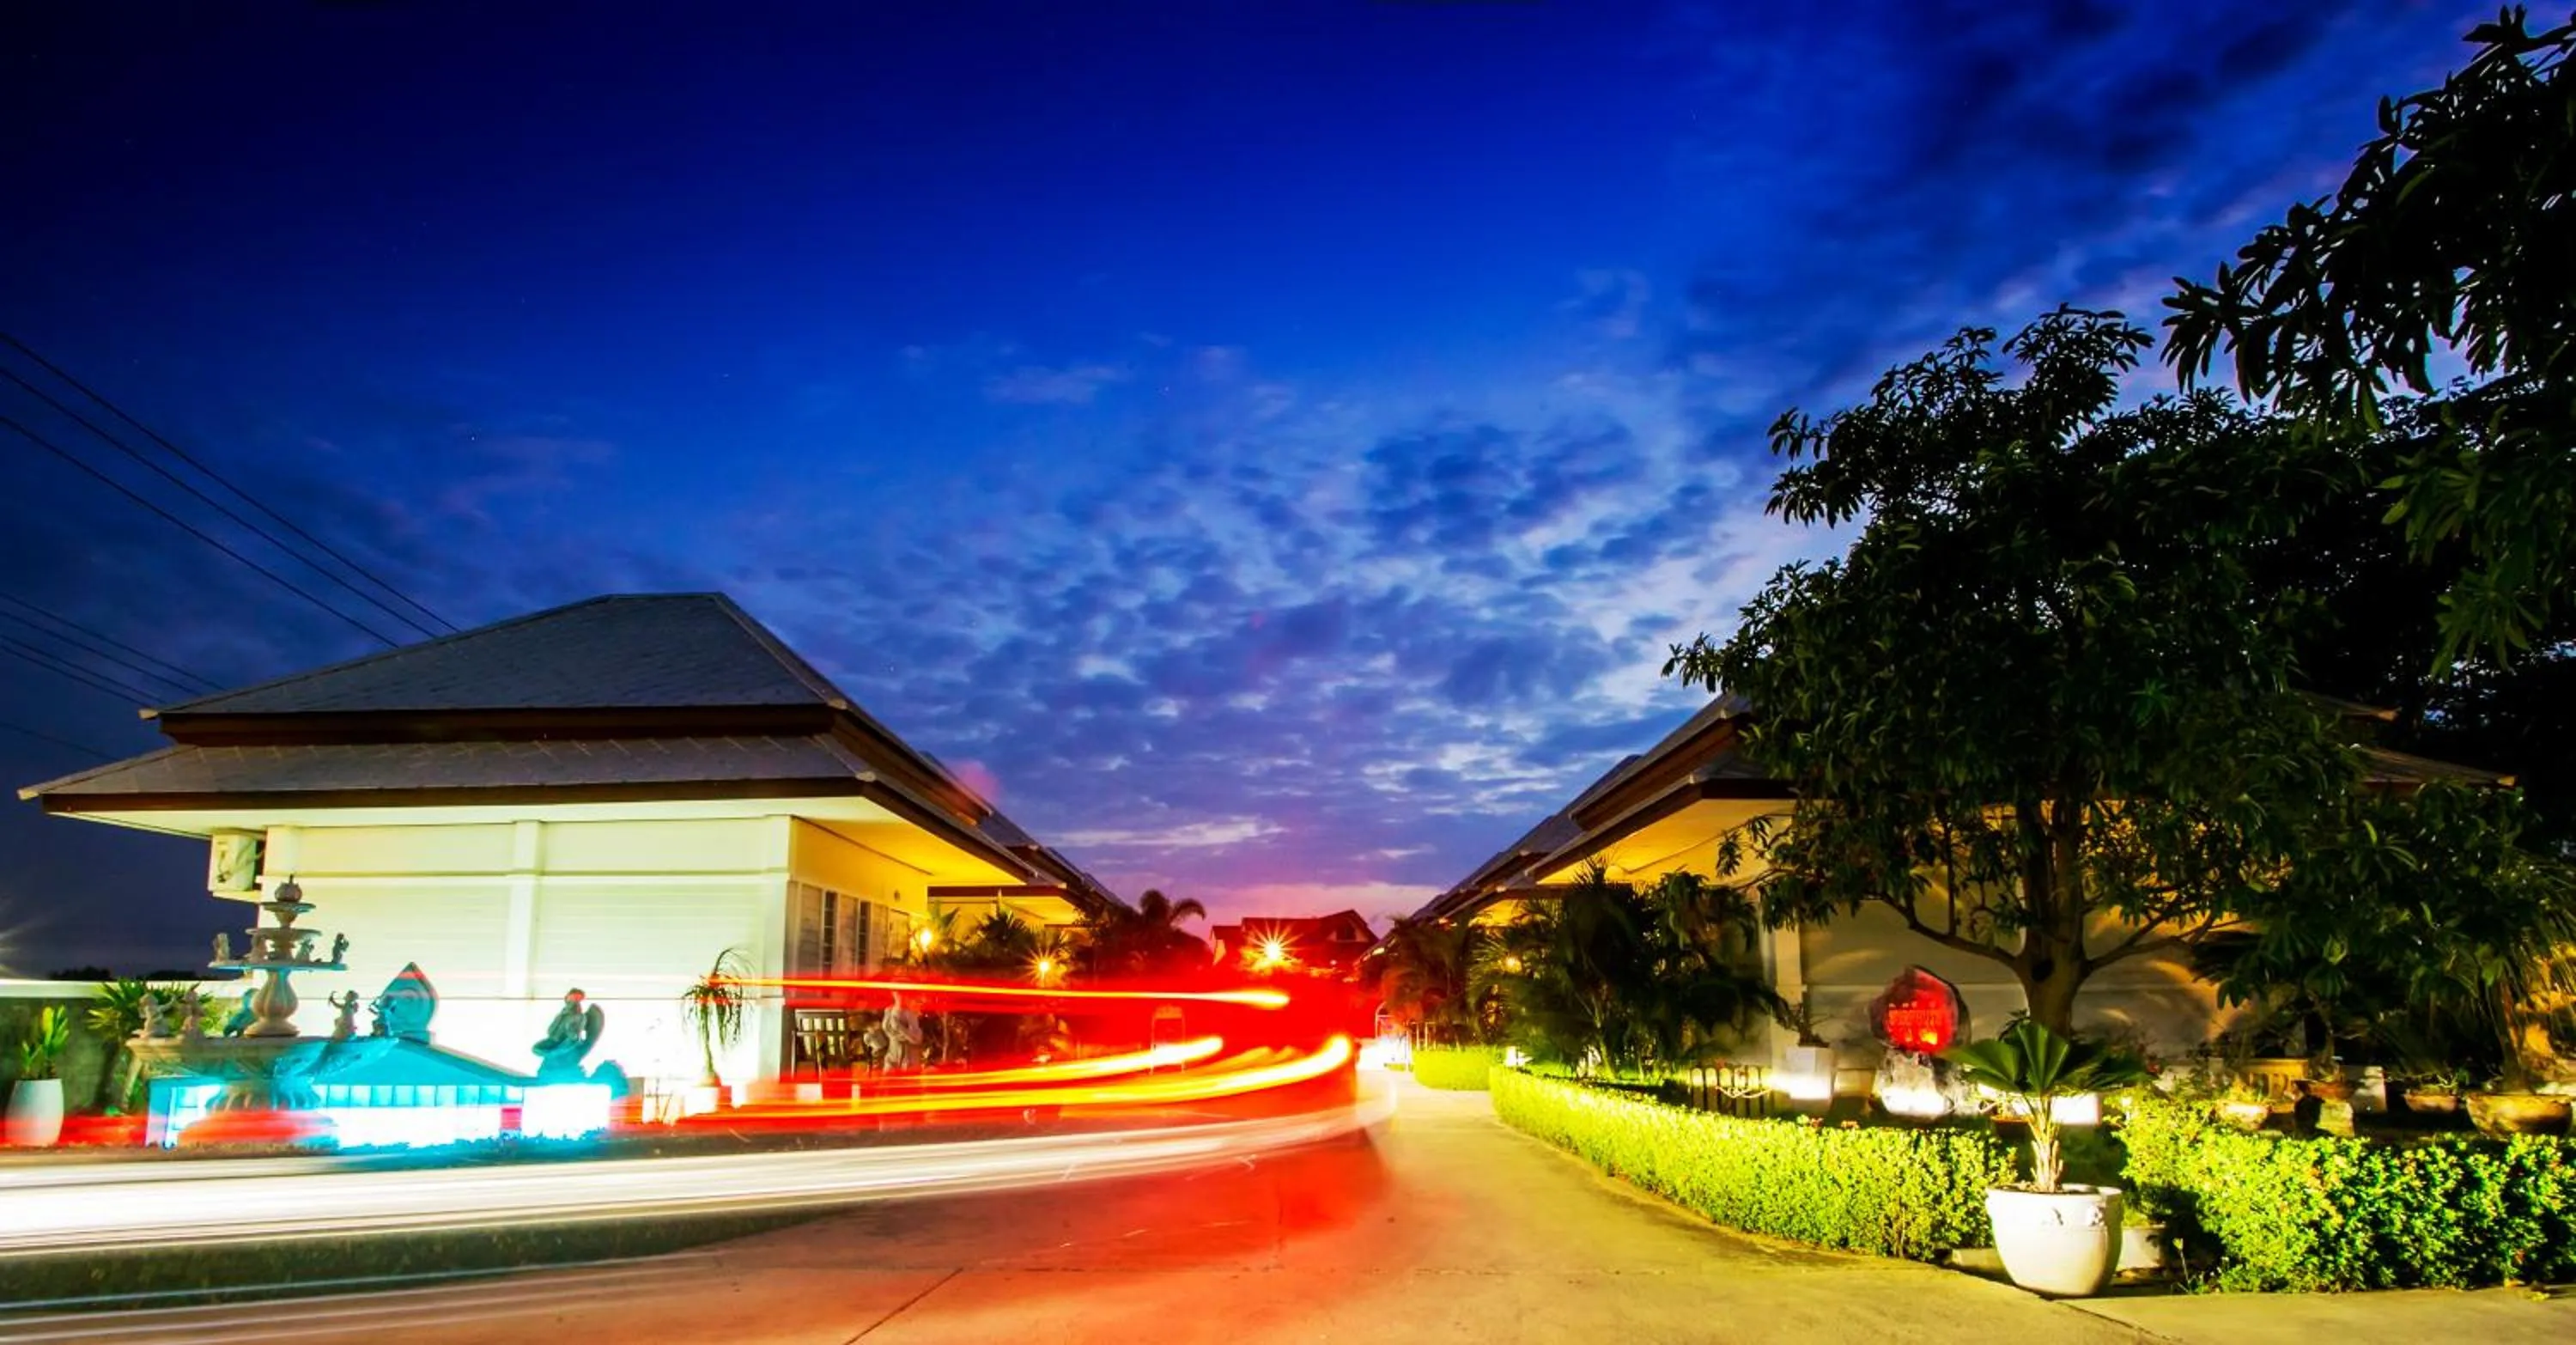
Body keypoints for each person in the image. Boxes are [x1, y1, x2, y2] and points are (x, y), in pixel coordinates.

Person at [532, 988, 604, 1080]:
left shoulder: (580, 1017)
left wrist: (570, 1033)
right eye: (572, 998)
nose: (573, 1001)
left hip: (569, 1041)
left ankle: (554, 1055)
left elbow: (575, 1033)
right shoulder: (562, 1014)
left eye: (577, 999)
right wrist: (554, 1036)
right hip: (555, 1039)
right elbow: (551, 1029)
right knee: (536, 1049)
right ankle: (552, 1054)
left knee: (561, 1050)